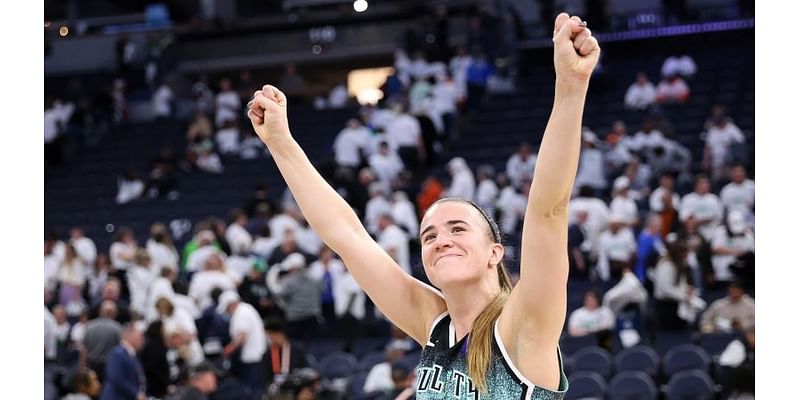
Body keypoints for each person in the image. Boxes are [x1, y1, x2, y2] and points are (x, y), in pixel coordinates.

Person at [245, 13, 598, 397]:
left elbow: (548, 211)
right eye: (429, 235)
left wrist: (571, 86)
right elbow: (347, 236)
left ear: (495, 252)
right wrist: (281, 144)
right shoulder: (434, 324)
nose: (440, 240)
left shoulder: (522, 324)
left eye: (457, 229)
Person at [101, 321, 146, 400]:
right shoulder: (118, 353)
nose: (142, 339)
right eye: (139, 335)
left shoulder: (130, 354)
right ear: (129, 335)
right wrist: (135, 393)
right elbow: (116, 378)